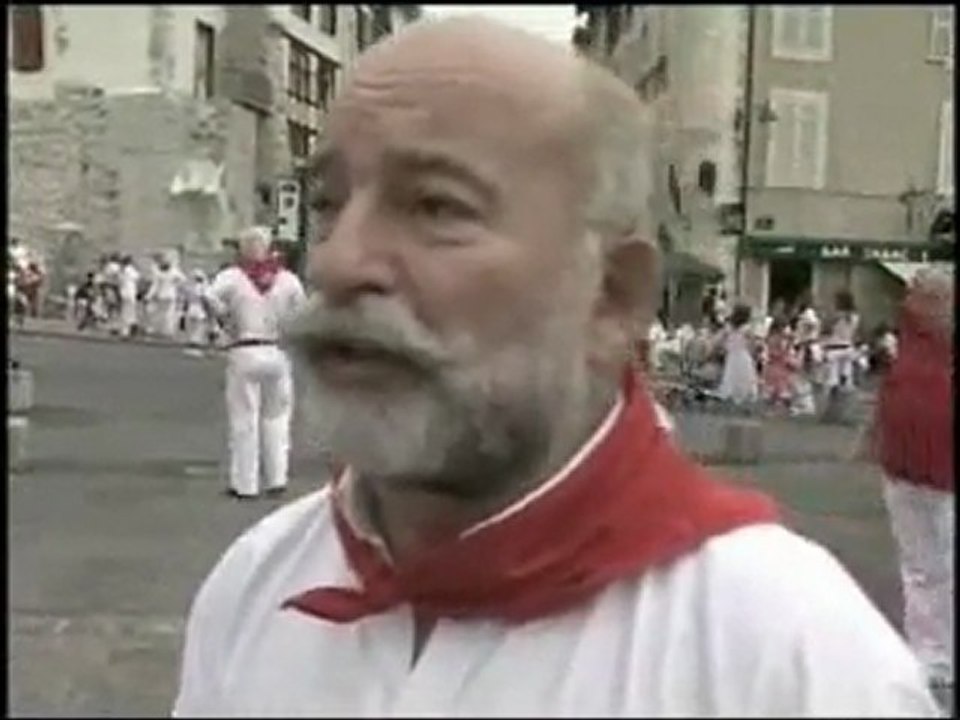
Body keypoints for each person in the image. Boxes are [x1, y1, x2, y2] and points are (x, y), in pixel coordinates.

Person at [174, 19, 938, 717]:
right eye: (327, 204)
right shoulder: (256, 584)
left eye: (436, 206)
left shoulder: (792, 661)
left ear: (612, 296)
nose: (339, 262)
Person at [859, 268, 954, 704]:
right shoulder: (908, 337)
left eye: (933, 297)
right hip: (905, 466)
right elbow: (890, 389)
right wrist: (871, 436)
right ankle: (930, 655)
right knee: (919, 567)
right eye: (918, 295)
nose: (919, 304)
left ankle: (941, 651)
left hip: (943, 470)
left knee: (944, 567)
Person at [203, 226, 307, 499]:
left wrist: (225, 319)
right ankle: (277, 478)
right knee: (277, 417)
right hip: (277, 349)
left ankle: (245, 483)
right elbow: (303, 310)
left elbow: (208, 296)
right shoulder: (287, 279)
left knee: (244, 419)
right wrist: (288, 327)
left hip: (245, 348)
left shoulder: (233, 277)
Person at [716, 303, 760, 407]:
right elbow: (753, 343)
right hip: (743, 355)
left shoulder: (728, 328)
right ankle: (744, 396)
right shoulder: (747, 328)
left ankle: (731, 395)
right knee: (744, 376)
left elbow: (718, 340)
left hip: (732, 356)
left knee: (731, 375)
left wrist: (724, 347)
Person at [147, 254, 185, 338]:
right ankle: (168, 331)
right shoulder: (173, 272)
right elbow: (183, 279)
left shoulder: (160, 274)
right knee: (169, 313)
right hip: (170, 295)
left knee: (160, 313)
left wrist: (150, 296)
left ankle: (159, 329)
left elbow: (155, 285)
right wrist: (175, 284)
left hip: (162, 295)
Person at [762, 316, 796, 410]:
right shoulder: (781, 339)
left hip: (772, 367)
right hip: (780, 368)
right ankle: (779, 407)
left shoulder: (770, 338)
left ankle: (773, 407)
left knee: (773, 391)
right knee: (780, 391)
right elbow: (782, 352)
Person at [182, 269, 211, 354]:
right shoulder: (203, 288)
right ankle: (195, 345)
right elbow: (204, 299)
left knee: (191, 327)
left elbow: (186, 301)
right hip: (199, 309)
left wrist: (183, 312)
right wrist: (208, 310)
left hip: (191, 308)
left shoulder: (188, 287)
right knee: (199, 328)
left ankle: (191, 344)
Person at [118, 256, 141, 338]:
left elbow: (120, 281)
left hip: (124, 293)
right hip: (130, 293)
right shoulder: (130, 270)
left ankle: (130, 328)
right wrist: (136, 266)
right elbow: (138, 277)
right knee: (129, 312)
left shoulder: (122, 270)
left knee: (126, 312)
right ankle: (129, 329)